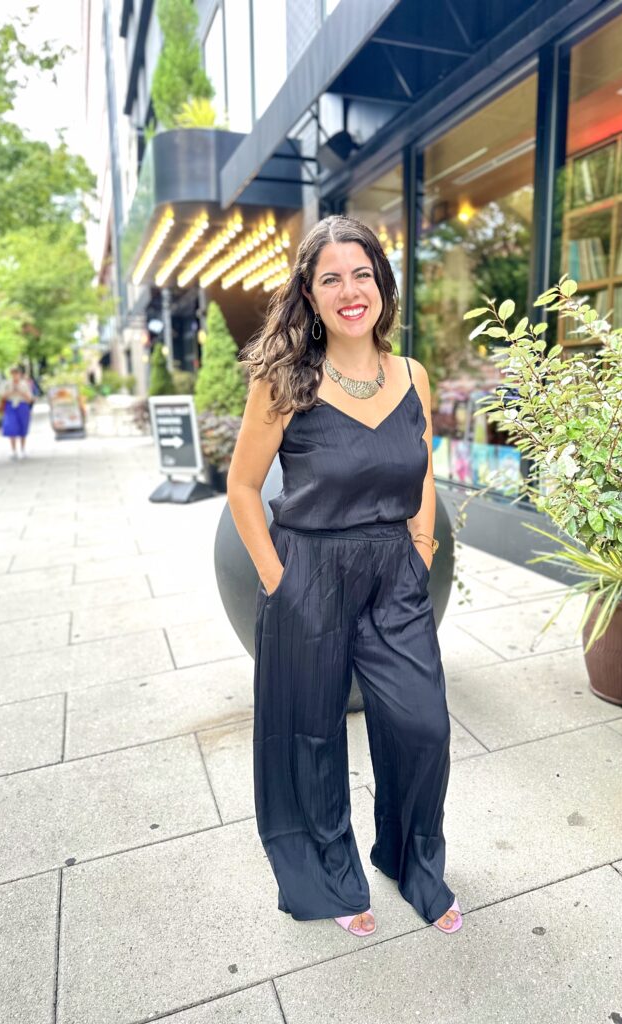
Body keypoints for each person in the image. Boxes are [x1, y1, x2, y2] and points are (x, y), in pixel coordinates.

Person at [227, 215, 461, 938]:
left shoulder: (412, 375)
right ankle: (329, 875)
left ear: (382, 284)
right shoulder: (284, 381)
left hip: (394, 571)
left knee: (422, 726)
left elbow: (422, 468)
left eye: (362, 274)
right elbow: (242, 486)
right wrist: (279, 580)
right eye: (331, 278)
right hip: (309, 571)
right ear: (310, 293)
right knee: (311, 736)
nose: (349, 291)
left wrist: (420, 548)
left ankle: (411, 861)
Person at [1, 365, 34, 460]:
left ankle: (23, 449)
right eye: (13, 374)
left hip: (22, 405)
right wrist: (11, 391)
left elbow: (30, 398)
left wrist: (20, 392)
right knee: (11, 427)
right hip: (10, 406)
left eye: (16, 373)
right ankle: (13, 450)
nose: (15, 376)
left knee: (23, 427)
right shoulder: (7, 384)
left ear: (19, 374)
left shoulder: (24, 384)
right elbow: (3, 396)